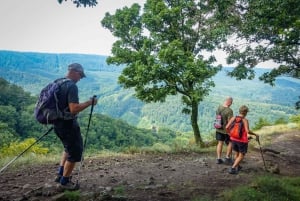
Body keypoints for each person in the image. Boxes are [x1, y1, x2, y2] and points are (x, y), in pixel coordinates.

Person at [53, 63, 97, 190]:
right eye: (80, 75)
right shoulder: (71, 86)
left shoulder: (59, 82)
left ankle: (60, 175)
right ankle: (64, 183)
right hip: (68, 125)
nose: (80, 78)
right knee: (75, 153)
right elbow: (74, 109)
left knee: (68, 148)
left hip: (57, 123)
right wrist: (90, 102)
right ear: (75, 72)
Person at [225, 105, 259, 174]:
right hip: (242, 141)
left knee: (237, 153)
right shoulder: (244, 120)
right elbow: (247, 131)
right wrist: (255, 134)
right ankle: (233, 168)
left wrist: (230, 134)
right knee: (242, 155)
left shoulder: (233, 118)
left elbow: (226, 127)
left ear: (239, 111)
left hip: (233, 139)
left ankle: (237, 166)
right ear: (246, 112)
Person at [215, 96, 233, 164]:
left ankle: (218, 159)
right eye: (231, 102)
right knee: (231, 142)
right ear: (229, 101)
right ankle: (227, 158)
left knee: (220, 143)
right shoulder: (229, 111)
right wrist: (231, 131)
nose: (231, 104)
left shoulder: (219, 107)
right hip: (226, 130)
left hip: (218, 128)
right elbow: (230, 122)